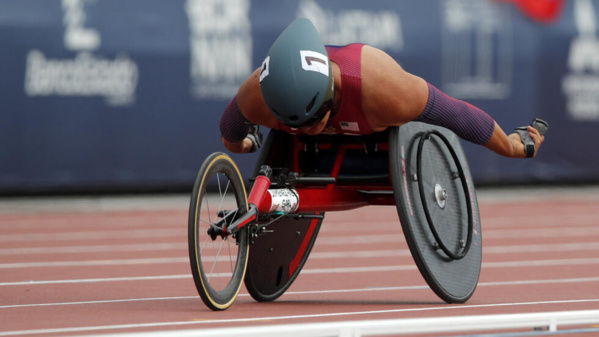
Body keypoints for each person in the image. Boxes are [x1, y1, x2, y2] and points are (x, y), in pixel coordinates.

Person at [219, 18, 546, 158]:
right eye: (296, 124)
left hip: (371, 123)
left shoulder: (383, 87)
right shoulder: (257, 93)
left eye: (314, 118)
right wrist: (246, 146)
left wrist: (512, 147)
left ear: (332, 93)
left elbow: (455, 114)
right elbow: (229, 133)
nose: (308, 130)